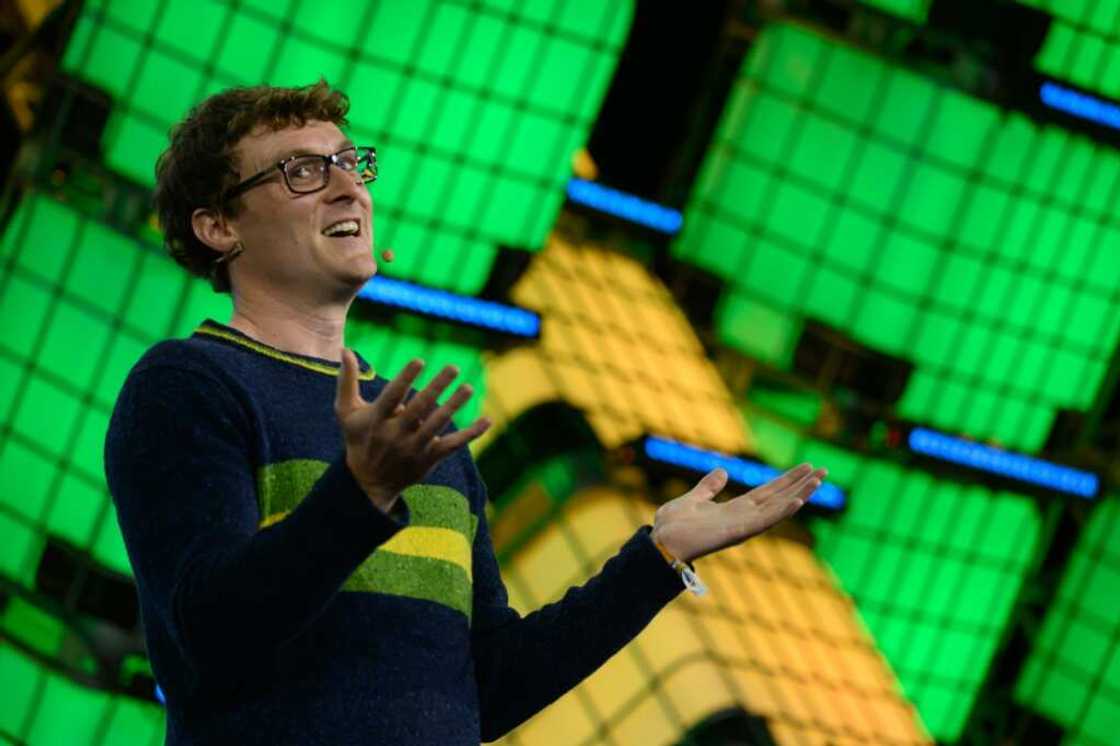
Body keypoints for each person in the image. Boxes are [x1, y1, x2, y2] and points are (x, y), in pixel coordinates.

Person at [104, 80, 827, 745]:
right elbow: (207, 638)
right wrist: (361, 493)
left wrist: (656, 559)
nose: (349, 189)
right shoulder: (187, 386)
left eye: (352, 165)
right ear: (217, 228)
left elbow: (489, 686)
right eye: (302, 171)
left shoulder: (421, 438)